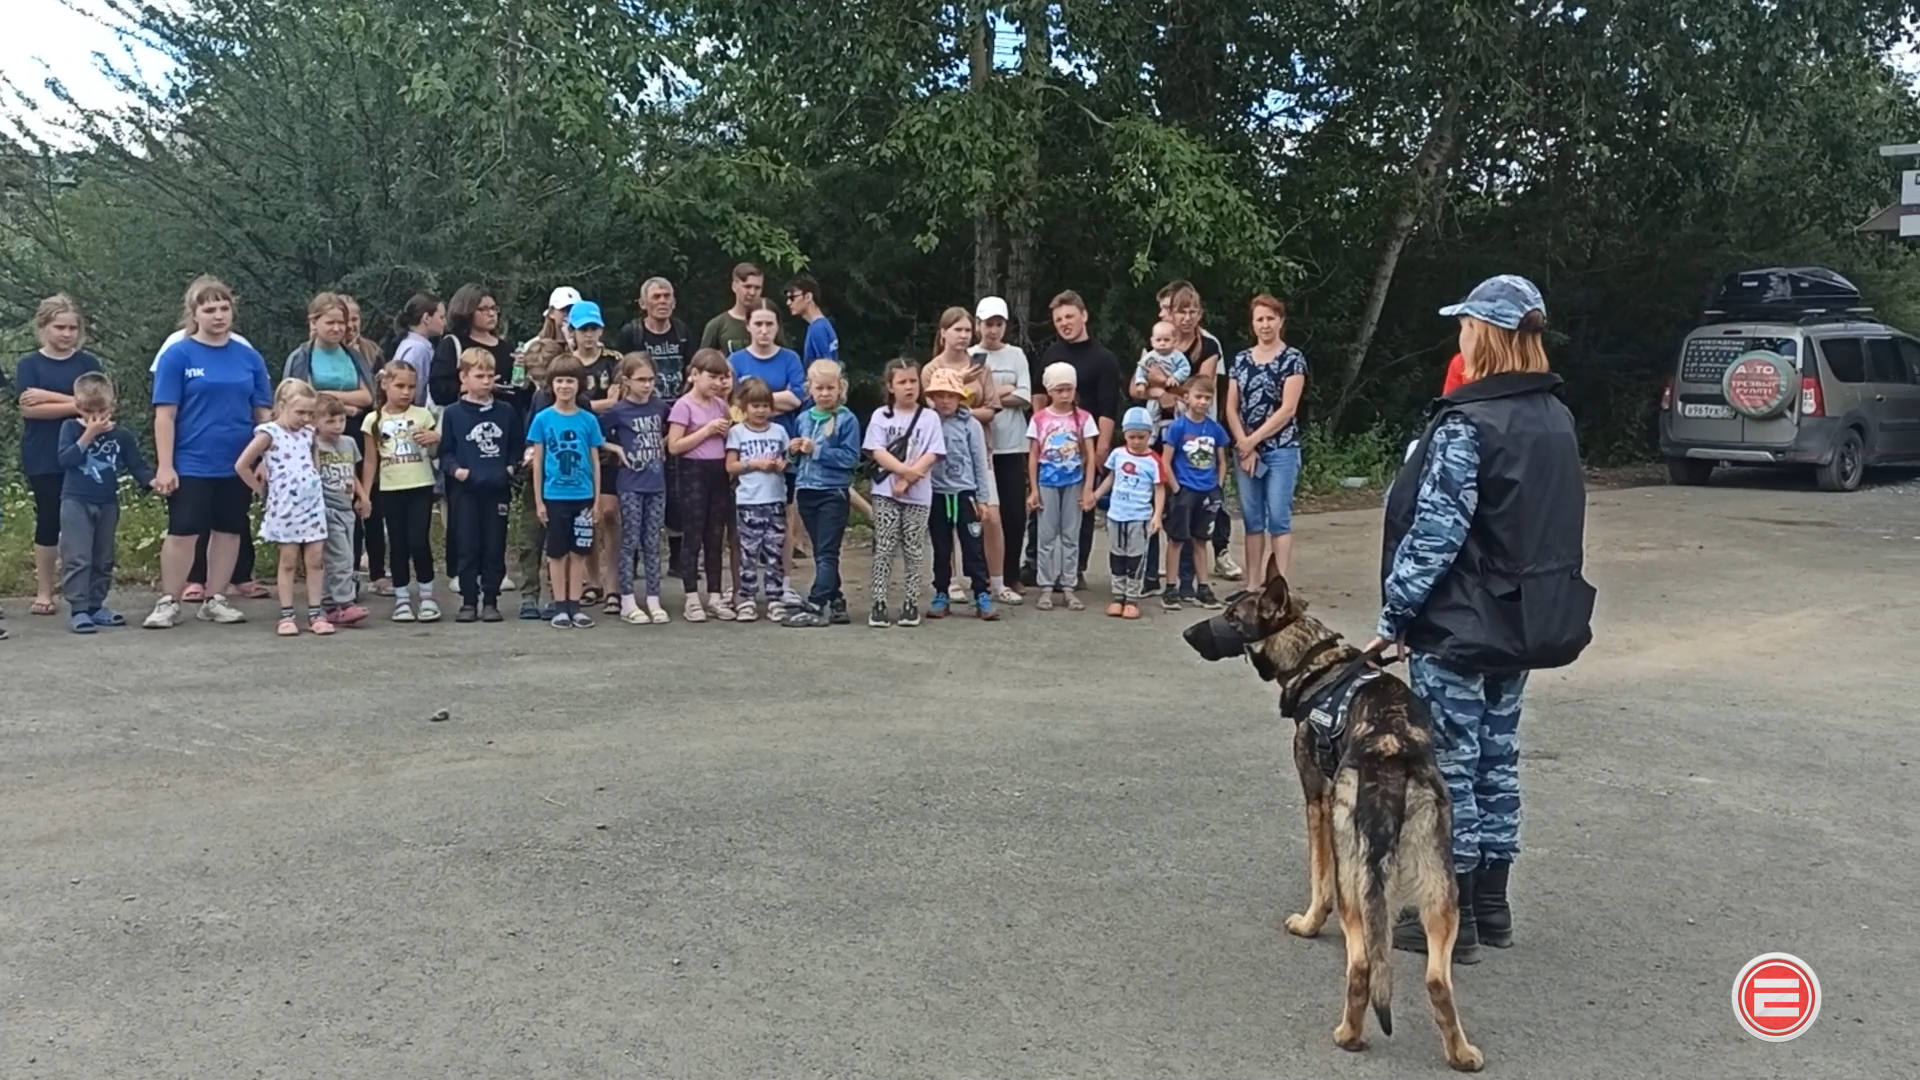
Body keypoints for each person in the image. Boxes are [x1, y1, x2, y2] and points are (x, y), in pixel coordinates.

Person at [1375, 275, 1596, 965]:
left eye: (1466, 326)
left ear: (1489, 334)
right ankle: (1494, 905)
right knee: (1499, 760)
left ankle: (1449, 914)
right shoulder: (1555, 417)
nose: (1460, 338)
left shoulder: (1469, 422)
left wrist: (1395, 614)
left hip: (1458, 626)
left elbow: (1437, 532)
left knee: (1448, 768)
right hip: (1523, 622)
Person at [144, 275, 274, 630]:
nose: (218, 315)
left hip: (237, 461)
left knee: (230, 529)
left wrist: (263, 458)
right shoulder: (178, 354)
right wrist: (166, 465)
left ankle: (215, 598)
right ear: (194, 313)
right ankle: (169, 600)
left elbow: (264, 415)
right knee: (184, 530)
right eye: (209, 309)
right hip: (191, 460)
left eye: (224, 307)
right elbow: (165, 415)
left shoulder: (248, 356)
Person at [16, 294, 104, 618]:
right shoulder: (29, 365)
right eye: (59, 327)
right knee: (49, 519)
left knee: (85, 522)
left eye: (72, 328)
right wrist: (79, 403)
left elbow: (102, 406)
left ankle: (83, 591)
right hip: (43, 453)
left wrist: (52, 399)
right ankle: (44, 590)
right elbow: (29, 409)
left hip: (86, 451)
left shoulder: (88, 364)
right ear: (43, 327)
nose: (66, 334)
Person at [1030, 291, 1122, 589]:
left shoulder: (1104, 358)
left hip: (1087, 442)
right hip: (1052, 443)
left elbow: (1108, 407)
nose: (1064, 323)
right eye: (1058, 320)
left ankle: (1075, 569)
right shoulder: (1051, 354)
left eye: (1069, 316)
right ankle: (1035, 564)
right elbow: (1038, 393)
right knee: (1043, 505)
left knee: (1082, 505)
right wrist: (1041, 429)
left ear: (1084, 315)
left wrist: (1101, 449)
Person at [54, 372, 154, 633]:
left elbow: (137, 465)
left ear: (112, 406)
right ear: (78, 407)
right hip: (75, 501)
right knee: (78, 556)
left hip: (107, 502)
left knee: (103, 556)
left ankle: (96, 605)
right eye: (89, 411)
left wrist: (152, 482)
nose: (96, 417)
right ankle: (78, 608)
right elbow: (65, 459)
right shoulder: (70, 428)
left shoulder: (121, 435)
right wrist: (88, 435)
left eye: (102, 411)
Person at [727, 301, 810, 604]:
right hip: (744, 446)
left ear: (778, 327)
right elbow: (733, 402)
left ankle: (783, 582)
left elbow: (797, 397)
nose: (763, 330)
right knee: (742, 524)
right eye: (758, 324)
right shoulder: (735, 359)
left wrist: (755, 398)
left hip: (781, 446)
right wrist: (775, 398)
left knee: (782, 519)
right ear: (747, 326)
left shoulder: (790, 358)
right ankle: (742, 585)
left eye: (769, 324)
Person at [236, 379, 333, 636]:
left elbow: (314, 464)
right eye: (300, 412)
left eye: (310, 413)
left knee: (315, 559)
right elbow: (242, 465)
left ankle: (316, 612)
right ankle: (287, 614)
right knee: (288, 561)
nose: (305, 418)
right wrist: (263, 493)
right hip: (285, 508)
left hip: (311, 505)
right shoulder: (269, 433)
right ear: (282, 406)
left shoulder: (309, 433)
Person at [612, 276, 693, 579]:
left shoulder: (682, 331)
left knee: (675, 493)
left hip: (675, 418)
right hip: (638, 421)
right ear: (643, 302)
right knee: (636, 495)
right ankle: (630, 563)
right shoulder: (631, 333)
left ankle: (677, 558)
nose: (663, 301)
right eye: (656, 296)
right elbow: (622, 373)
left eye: (667, 295)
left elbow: (689, 370)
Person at [1225, 294, 1308, 587]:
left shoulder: (1293, 359)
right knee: (1252, 520)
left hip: (1281, 449)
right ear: (1252, 324)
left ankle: (1278, 587)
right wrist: (1243, 444)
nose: (1265, 324)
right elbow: (1230, 407)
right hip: (1246, 452)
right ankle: (1251, 586)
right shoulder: (1241, 360)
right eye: (1259, 319)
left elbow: (1288, 409)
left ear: (1281, 321)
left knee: (1278, 519)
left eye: (1270, 318)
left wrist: (1253, 441)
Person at [863, 358, 946, 628]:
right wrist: (902, 472)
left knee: (914, 548)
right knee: (884, 546)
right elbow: (877, 450)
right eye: (902, 382)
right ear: (890, 386)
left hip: (919, 495)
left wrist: (910, 479)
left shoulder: (930, 417)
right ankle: (879, 602)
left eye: (913, 381)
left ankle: (910, 603)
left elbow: (933, 452)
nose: (909, 387)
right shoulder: (880, 416)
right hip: (885, 492)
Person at [441, 348, 522, 623]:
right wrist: (457, 471)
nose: (486, 381)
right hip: (465, 490)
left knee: (493, 545)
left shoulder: (506, 411)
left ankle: (490, 599)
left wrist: (509, 467)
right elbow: (446, 451)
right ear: (464, 377)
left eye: (490, 375)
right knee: (467, 544)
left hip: (496, 488)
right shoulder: (453, 413)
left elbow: (515, 446)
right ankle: (467, 601)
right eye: (479, 375)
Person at [527, 354, 607, 629]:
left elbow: (595, 460)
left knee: (579, 552)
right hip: (554, 496)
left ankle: (576, 605)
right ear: (551, 384)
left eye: (570, 380)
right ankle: (560, 605)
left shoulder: (588, 420)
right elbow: (537, 462)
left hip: (583, 496)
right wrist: (539, 501)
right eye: (559, 380)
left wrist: (597, 500)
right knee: (557, 553)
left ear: (580, 384)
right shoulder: (542, 419)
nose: (565, 386)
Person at [360, 364, 442, 622]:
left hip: (420, 485)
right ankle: (402, 596)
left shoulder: (423, 415)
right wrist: (364, 493)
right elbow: (371, 460)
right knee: (397, 543)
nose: (406, 392)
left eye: (411, 386)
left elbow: (436, 451)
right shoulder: (373, 420)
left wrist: (434, 440)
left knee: (418, 540)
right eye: (400, 386)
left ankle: (427, 594)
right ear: (385, 385)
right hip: (391, 488)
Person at [783, 360, 861, 628]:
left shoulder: (847, 419)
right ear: (810, 389)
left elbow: (851, 458)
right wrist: (792, 451)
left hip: (833, 493)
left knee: (827, 552)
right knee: (821, 552)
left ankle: (816, 603)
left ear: (840, 389)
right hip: (806, 491)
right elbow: (795, 461)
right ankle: (837, 600)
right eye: (820, 388)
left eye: (831, 388)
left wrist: (817, 450)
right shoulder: (803, 418)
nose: (825, 393)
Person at [554, 301, 622, 605]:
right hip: (576, 448)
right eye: (583, 329)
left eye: (594, 328)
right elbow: (569, 406)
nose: (590, 335)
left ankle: (613, 582)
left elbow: (620, 401)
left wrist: (594, 406)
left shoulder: (613, 360)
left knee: (609, 513)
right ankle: (591, 580)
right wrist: (600, 404)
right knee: (587, 517)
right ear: (572, 331)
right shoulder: (567, 364)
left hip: (610, 442)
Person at [924, 367, 999, 621]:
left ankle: (981, 594)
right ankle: (941, 593)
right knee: (941, 547)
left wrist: (983, 499)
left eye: (951, 395)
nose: (945, 401)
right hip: (936, 494)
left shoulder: (971, 424)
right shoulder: (927, 420)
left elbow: (980, 461)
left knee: (972, 547)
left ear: (960, 397)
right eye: (940, 395)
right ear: (932, 397)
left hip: (965, 493)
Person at [667, 349, 736, 622]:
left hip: (718, 472)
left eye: (722, 378)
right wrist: (706, 431)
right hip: (692, 472)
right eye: (712, 377)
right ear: (694, 375)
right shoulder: (683, 405)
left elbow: (730, 434)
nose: (717, 384)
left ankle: (715, 596)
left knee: (715, 537)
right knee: (693, 534)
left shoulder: (720, 405)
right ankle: (692, 598)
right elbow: (674, 446)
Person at [602, 352, 671, 625]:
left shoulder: (659, 407)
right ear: (626, 381)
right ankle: (627, 599)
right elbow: (593, 433)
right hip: (630, 484)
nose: (647, 385)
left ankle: (653, 597)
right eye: (641, 379)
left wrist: (664, 445)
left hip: (657, 484)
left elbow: (673, 427)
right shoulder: (618, 411)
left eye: (651, 379)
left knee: (653, 542)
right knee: (629, 541)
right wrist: (615, 447)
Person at [970, 297, 1030, 606]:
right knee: (981, 514)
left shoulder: (1016, 355)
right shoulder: (971, 356)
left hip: (1012, 443)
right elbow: (966, 399)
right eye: (988, 324)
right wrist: (999, 392)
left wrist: (991, 395)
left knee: (1014, 512)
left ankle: (1011, 573)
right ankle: (980, 573)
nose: (993, 330)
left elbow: (1024, 395)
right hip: (978, 444)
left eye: (998, 324)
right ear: (978, 324)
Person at [1024, 362, 1098, 612]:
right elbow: (1033, 455)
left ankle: (1068, 586)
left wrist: (1088, 488)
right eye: (1059, 390)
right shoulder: (1040, 419)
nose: (1065, 395)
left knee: (1070, 536)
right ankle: (1045, 587)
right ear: (1050, 391)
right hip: (1047, 483)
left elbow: (1089, 452)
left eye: (1069, 389)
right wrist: (1033, 489)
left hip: (1073, 483)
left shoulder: (1083, 418)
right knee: (1046, 536)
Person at [1159, 376, 1229, 611]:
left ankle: (1204, 588)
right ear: (1187, 397)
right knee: (1177, 540)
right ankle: (1170, 587)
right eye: (1198, 397)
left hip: (1207, 491)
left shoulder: (1215, 428)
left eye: (1207, 398)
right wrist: (1177, 488)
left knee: (1201, 541)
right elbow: (1165, 461)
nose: (1202, 402)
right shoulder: (1177, 427)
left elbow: (1221, 461)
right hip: (1185, 490)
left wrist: (1217, 487)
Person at [724, 377, 790, 622]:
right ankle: (747, 597)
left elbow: (788, 458)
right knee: (748, 552)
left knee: (774, 550)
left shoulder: (779, 431)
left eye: (765, 405)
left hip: (775, 499)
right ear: (744, 407)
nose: (760, 411)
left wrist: (783, 463)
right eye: (755, 405)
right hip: (749, 501)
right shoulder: (737, 433)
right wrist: (755, 463)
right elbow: (730, 465)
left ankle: (775, 597)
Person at [1093, 407, 1165, 619]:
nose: (1136, 441)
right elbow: (1110, 478)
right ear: (1124, 435)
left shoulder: (1153, 461)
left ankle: (1132, 597)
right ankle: (1118, 595)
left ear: (1149, 435)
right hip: (1116, 514)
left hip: (1139, 516)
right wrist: (1096, 495)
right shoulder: (1118, 455)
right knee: (1117, 555)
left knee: (1136, 557)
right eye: (1131, 437)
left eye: (1141, 437)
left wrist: (1157, 515)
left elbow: (1159, 488)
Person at [312, 397, 372, 627]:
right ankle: (345, 603)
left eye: (342, 420)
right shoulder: (314, 445)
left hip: (347, 509)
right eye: (330, 421)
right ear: (316, 422)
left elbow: (352, 473)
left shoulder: (348, 443)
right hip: (327, 509)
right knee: (342, 558)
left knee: (341, 557)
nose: (338, 426)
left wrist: (363, 496)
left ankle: (329, 605)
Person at [701, 263, 785, 355]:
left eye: (757, 288)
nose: (752, 293)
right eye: (747, 286)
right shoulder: (717, 325)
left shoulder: (770, 323)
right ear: (734, 286)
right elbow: (703, 363)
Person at [1133, 319, 1191, 428]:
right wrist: (1141, 383)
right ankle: (1152, 433)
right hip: (1154, 392)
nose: (1162, 343)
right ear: (1152, 341)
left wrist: (1176, 377)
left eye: (1166, 340)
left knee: (1182, 408)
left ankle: (1181, 428)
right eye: (1158, 340)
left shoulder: (1177, 355)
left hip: (1176, 391)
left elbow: (1185, 368)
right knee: (1151, 411)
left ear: (1174, 341)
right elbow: (1141, 368)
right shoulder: (1150, 356)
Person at [784, 274, 840, 367]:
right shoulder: (823, 325)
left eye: (792, 298)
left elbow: (824, 372)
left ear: (808, 297)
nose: (788, 303)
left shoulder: (817, 329)